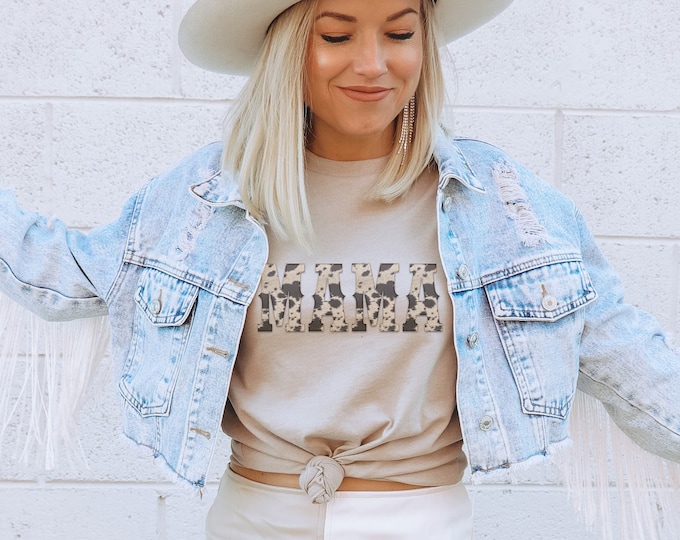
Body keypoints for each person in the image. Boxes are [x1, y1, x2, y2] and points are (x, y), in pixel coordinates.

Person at [0, 0, 678, 538]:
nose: (374, 63)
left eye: (400, 32)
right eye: (337, 34)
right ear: (292, 46)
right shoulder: (208, 198)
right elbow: (60, 271)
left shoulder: (503, 205)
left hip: (417, 524)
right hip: (253, 520)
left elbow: (636, 368)